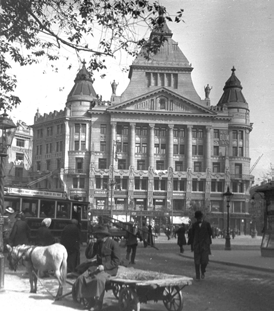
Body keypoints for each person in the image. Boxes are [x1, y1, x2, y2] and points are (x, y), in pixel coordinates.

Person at [72, 225, 120, 311]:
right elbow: (89, 256)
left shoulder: (113, 244)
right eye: (97, 235)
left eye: (100, 235)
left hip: (109, 269)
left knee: (98, 280)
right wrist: (91, 245)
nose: (97, 237)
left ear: (105, 235)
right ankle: (91, 301)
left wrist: (104, 266)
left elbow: (116, 261)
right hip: (97, 267)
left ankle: (98, 304)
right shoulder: (97, 243)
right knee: (81, 278)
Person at [191, 211, 212, 280]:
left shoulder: (207, 224)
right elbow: (192, 236)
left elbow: (210, 233)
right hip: (197, 246)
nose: (198, 219)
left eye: (199, 218)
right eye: (197, 218)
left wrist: (207, 242)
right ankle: (198, 276)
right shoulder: (194, 225)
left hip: (205, 246)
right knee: (197, 262)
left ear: (201, 217)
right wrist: (192, 245)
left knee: (204, 261)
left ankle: (203, 271)